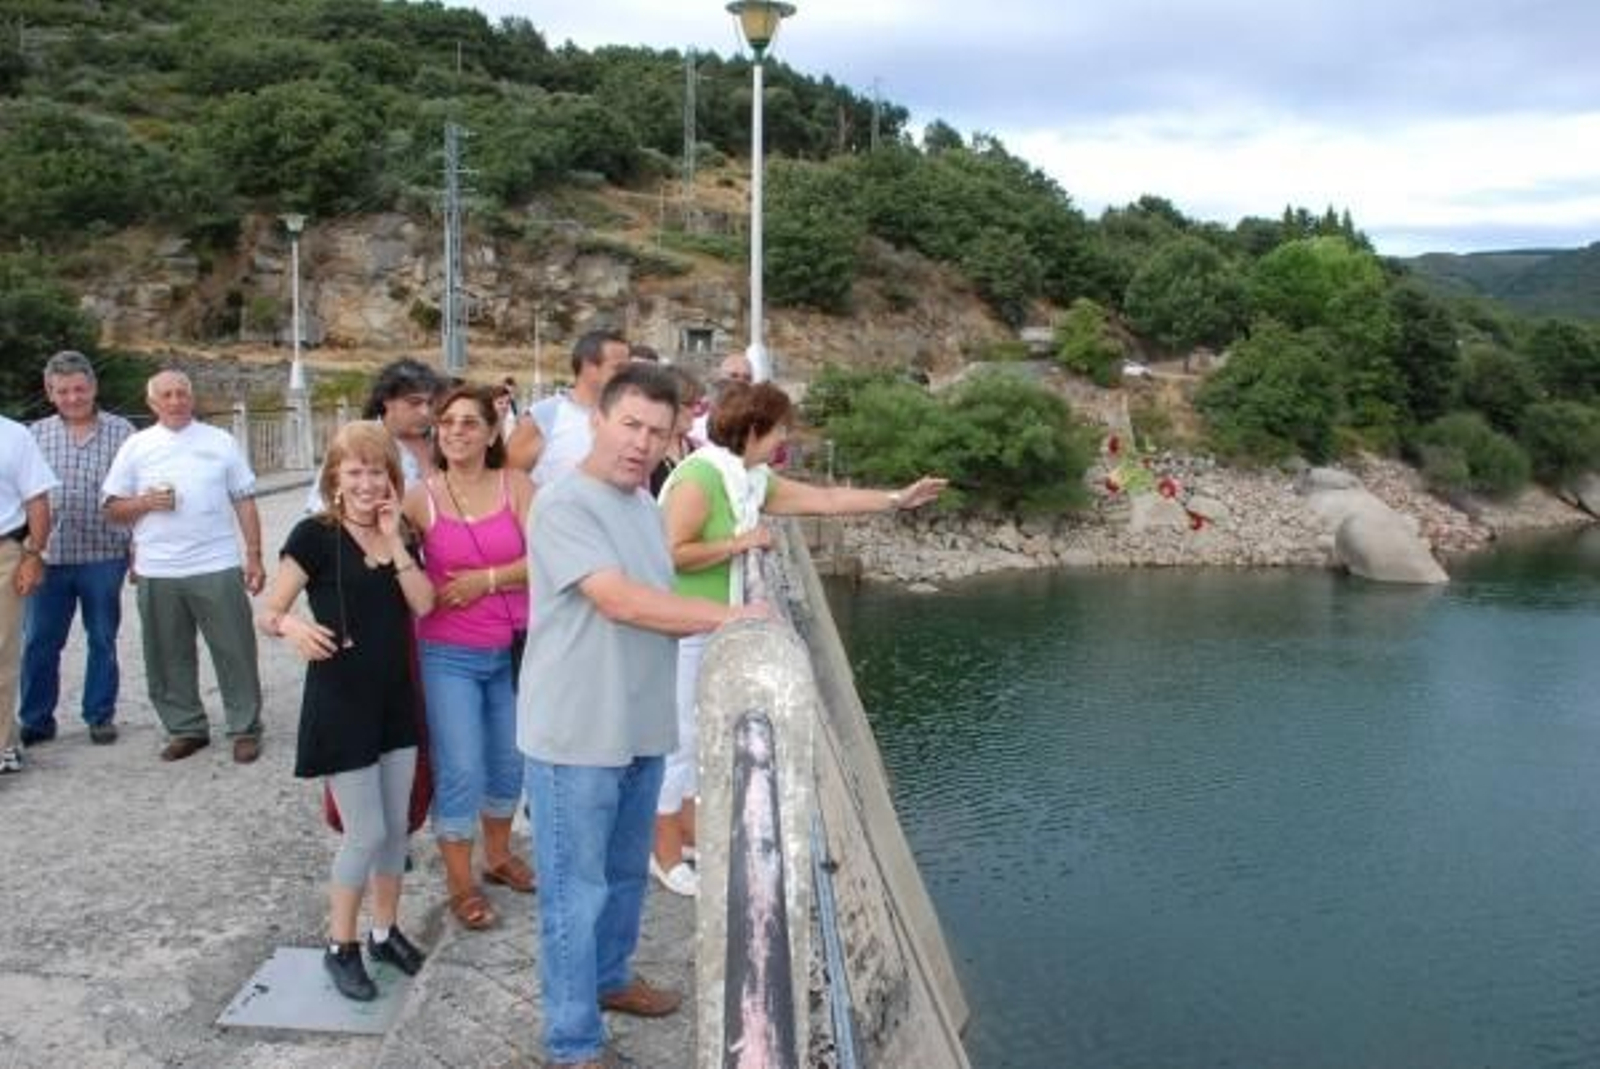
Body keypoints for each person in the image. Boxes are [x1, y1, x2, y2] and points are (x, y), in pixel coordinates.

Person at [517, 364, 766, 1068]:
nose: (641, 442)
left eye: (657, 431)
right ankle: (572, 1042)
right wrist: (734, 617)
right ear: (597, 419)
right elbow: (619, 601)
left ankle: (611, 979)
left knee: (626, 874)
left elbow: (659, 597)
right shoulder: (563, 504)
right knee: (574, 893)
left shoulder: (641, 504)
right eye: (630, 424)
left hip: (639, 724)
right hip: (575, 732)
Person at [652, 382, 945, 894]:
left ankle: (689, 831)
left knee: (698, 735)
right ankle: (663, 854)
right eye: (780, 429)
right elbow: (670, 552)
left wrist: (897, 499)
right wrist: (740, 542)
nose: (785, 438)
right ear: (753, 430)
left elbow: (826, 499)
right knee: (677, 741)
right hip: (683, 629)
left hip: (716, 624)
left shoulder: (749, 478)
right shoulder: (700, 480)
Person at [257, 423, 436, 1001]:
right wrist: (291, 627)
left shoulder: (399, 532)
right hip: (341, 702)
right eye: (353, 471)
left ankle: (384, 932)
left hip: (394, 700)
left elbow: (424, 604)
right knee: (365, 833)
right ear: (335, 477)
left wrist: (395, 541)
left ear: (392, 478)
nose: (365, 483)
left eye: (375, 471)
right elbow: (270, 610)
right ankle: (341, 945)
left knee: (396, 829)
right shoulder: (314, 535)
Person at [402, 384, 535, 931]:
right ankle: (461, 882)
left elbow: (550, 554)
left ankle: (498, 855)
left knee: (510, 760)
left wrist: (488, 580)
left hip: (515, 649)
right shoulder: (420, 498)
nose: (457, 431)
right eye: (448, 422)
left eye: (470, 423)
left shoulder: (518, 486)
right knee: (461, 767)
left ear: (491, 432)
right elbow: (381, 549)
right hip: (448, 652)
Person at [102, 370, 266, 764]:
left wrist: (254, 555)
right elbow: (112, 508)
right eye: (166, 395)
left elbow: (244, 499)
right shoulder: (136, 446)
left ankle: (244, 728)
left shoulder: (220, 442)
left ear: (192, 398)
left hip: (216, 562)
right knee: (166, 654)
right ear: (152, 403)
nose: (175, 401)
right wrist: (144, 503)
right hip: (158, 567)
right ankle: (185, 727)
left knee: (235, 649)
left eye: (182, 393)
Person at [20, 350, 135, 747]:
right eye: (63, 391)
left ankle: (99, 715)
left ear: (93, 388)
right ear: (50, 393)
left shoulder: (123, 432)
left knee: (102, 637)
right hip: (48, 556)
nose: (73, 398)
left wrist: (138, 548)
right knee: (40, 641)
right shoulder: (34, 435)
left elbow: (136, 490)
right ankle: (36, 719)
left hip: (105, 554)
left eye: (80, 389)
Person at [305, 357, 442, 512]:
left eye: (429, 403)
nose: (425, 412)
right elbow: (320, 505)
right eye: (414, 403)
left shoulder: (445, 442)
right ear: (388, 401)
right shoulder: (356, 441)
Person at [0, 416, 58, 774]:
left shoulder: (13, 435)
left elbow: (37, 499)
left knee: (1, 651)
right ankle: (7, 741)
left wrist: (34, 555)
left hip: (3, 554)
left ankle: (1, 746)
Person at [505, 330, 631, 483]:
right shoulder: (545, 416)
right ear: (589, 366)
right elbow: (507, 482)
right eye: (618, 368)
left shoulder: (630, 417)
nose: (627, 377)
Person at [649, 365, 704, 497]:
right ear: (668, 404)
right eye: (690, 404)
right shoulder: (646, 451)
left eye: (698, 403)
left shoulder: (697, 448)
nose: (697, 410)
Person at [687, 350, 754, 448]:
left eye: (747, 378)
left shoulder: (758, 419)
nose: (740, 382)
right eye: (734, 376)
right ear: (719, 378)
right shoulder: (694, 414)